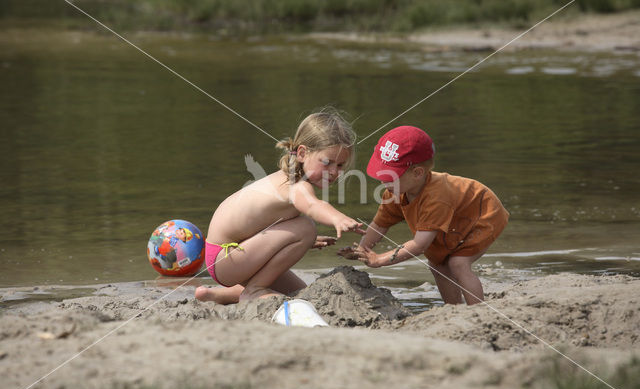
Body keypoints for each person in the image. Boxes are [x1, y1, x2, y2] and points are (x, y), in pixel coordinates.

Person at [195, 110, 365, 304]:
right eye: (327, 162)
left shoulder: (286, 179)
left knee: (300, 292)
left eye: (341, 165)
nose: (334, 172)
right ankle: (254, 290)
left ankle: (214, 295)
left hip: (229, 256)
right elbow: (314, 206)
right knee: (306, 227)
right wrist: (337, 218)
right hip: (225, 258)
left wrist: (290, 239)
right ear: (302, 153)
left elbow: (258, 223)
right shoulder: (297, 187)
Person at [339, 126, 508, 305]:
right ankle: (453, 308)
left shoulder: (436, 197)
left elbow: (420, 245)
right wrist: (363, 250)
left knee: (457, 263)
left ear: (418, 173)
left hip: (481, 214)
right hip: (454, 217)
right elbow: (380, 224)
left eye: (390, 175)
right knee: (437, 263)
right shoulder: (394, 190)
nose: (383, 180)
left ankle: (478, 310)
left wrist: (380, 259)